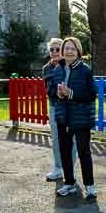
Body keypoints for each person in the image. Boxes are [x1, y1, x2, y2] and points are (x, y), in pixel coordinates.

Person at [53, 37, 97, 199]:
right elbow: (51, 90)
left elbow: (92, 95)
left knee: (84, 151)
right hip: (63, 116)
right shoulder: (57, 69)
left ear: (78, 51)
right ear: (62, 51)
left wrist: (70, 93)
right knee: (65, 151)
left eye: (72, 48)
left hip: (81, 117)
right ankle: (69, 183)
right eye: (66, 48)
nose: (69, 51)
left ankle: (90, 185)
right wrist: (57, 93)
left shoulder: (85, 70)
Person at [41, 38, 66, 182]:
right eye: (52, 49)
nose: (55, 52)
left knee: (71, 139)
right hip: (54, 106)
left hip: (69, 106)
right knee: (56, 139)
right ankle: (58, 168)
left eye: (58, 49)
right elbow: (49, 90)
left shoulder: (68, 65)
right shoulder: (46, 68)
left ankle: (70, 169)